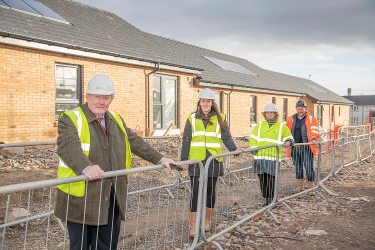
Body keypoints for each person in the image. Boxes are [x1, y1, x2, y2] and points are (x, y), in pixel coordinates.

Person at [55, 74, 177, 250]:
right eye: (97, 97)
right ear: (87, 96)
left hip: (111, 196)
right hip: (81, 199)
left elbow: (136, 142)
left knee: (107, 245)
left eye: (106, 98)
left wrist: (161, 158)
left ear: (111, 99)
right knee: (80, 246)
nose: (101, 102)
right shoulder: (71, 118)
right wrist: (86, 166)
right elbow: (68, 147)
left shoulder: (115, 119)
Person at [180, 88, 243, 237]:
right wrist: (184, 159)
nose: (206, 104)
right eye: (203, 101)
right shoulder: (192, 118)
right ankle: (193, 226)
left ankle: (207, 221)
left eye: (208, 101)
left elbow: (226, 137)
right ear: (199, 102)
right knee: (195, 192)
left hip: (213, 160)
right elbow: (186, 139)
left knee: (210, 191)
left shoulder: (220, 118)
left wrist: (234, 149)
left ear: (212, 103)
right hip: (196, 160)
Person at [249, 103, 294, 206]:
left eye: (271, 113)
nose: (269, 114)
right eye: (267, 113)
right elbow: (253, 138)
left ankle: (272, 198)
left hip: (273, 157)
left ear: (275, 114)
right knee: (262, 179)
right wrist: (253, 147)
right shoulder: (259, 125)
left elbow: (289, 137)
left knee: (271, 179)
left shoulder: (281, 126)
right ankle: (266, 199)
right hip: (260, 157)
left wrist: (288, 142)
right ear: (265, 114)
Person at [286, 99, 320, 195]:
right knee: (298, 167)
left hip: (307, 148)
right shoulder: (290, 119)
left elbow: (314, 130)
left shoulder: (311, 119)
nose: (300, 111)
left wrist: (313, 138)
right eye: (298, 109)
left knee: (309, 167)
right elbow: (286, 132)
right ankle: (300, 186)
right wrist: (287, 140)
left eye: (302, 109)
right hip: (295, 148)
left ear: (305, 109)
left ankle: (311, 188)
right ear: (296, 109)